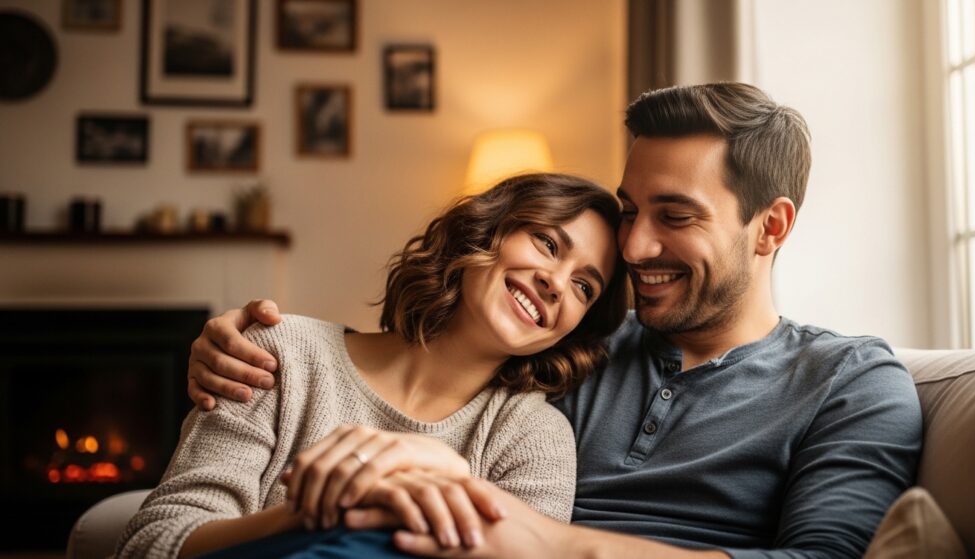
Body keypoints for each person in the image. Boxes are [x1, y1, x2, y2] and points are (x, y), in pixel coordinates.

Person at [188, 83, 922, 559]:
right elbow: (423, 376)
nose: (634, 247)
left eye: (674, 216)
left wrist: (548, 541)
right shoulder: (573, 346)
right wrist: (238, 345)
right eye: (631, 212)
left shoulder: (851, 381)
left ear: (771, 227)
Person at [115, 173, 629, 558]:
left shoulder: (534, 436)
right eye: (546, 242)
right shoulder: (281, 352)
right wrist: (313, 518)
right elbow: (149, 544)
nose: (557, 282)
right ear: (486, 232)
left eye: (585, 286)